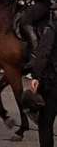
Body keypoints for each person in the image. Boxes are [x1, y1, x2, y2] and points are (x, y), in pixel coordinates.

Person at [29, 9, 57, 146]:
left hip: (52, 82)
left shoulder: (52, 28)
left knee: (45, 122)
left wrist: (36, 75)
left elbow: (43, 52)